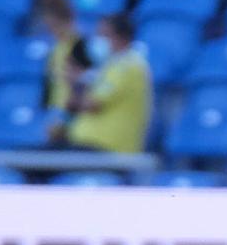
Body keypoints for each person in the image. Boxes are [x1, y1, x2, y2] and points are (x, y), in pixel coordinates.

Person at [45, 13, 151, 155]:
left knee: (34, 161)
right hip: (84, 146)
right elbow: (72, 105)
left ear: (122, 38)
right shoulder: (106, 67)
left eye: (104, 35)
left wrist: (77, 83)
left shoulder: (128, 66)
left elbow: (92, 104)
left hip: (109, 150)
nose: (98, 40)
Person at [32, 0, 80, 113]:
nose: (51, 30)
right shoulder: (56, 48)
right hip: (56, 111)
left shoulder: (80, 45)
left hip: (73, 112)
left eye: (54, 26)